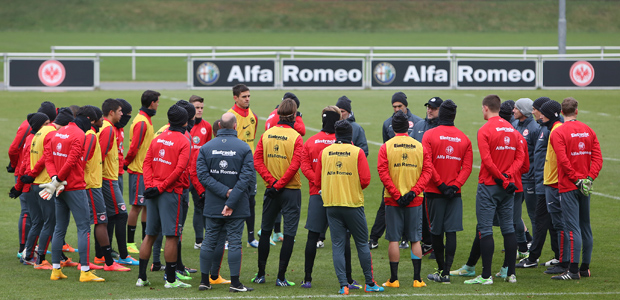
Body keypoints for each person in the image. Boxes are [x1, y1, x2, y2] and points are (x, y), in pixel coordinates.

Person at [315, 120, 383, 295]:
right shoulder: (357, 152)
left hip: (331, 204)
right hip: (352, 204)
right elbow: (366, 180)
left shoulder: (325, 152)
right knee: (361, 243)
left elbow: (316, 180)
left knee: (337, 244)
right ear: (350, 134)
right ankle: (369, 283)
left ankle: (343, 285)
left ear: (336, 134)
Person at [463, 95, 524, 285]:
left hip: (490, 185)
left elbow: (487, 161)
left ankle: (486, 276)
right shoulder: (513, 130)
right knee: (508, 229)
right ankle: (510, 274)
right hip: (508, 187)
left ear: (485, 108)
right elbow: (520, 158)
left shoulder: (484, 130)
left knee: (485, 229)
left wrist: (501, 178)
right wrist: (508, 176)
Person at [299, 106, 361, 289]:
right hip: (339, 195)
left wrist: (318, 184)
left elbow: (305, 166)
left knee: (312, 236)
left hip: (317, 195)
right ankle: (349, 280)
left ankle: (307, 279)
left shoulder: (310, 142)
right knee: (344, 237)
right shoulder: (344, 144)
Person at [44, 106, 105, 282]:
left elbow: (48, 157)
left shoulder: (56, 134)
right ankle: (85, 271)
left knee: (59, 228)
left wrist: (55, 179)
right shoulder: (79, 134)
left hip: (59, 187)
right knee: (84, 228)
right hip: (75, 186)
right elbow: (72, 160)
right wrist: (59, 178)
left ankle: (55, 270)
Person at [196, 112, 255, 292]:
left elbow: (203, 176)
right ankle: (236, 284)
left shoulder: (206, 148)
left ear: (220, 126)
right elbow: (246, 179)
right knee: (235, 242)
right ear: (235, 126)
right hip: (236, 206)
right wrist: (231, 198)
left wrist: (223, 192)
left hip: (213, 203)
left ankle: (204, 281)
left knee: (209, 241)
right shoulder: (244, 148)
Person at [136, 104, 191, 288]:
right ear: (184, 121)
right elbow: (179, 170)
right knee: (172, 236)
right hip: (170, 193)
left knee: (149, 234)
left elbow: (147, 163)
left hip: (153, 193)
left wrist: (151, 185)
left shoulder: (157, 138)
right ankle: (171, 280)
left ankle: (141, 278)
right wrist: (161, 188)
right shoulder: (184, 141)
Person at [378, 110, 433, 289]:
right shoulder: (419, 146)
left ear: (393, 127)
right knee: (415, 239)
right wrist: (413, 192)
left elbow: (383, 172)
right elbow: (427, 172)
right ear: (408, 128)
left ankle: (394, 279)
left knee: (394, 239)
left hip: (393, 200)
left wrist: (396, 193)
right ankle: (417, 279)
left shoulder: (386, 147)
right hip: (415, 200)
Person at [251, 98, 303, 286]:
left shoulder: (267, 134)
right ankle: (281, 277)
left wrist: (272, 182)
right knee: (289, 234)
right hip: (290, 191)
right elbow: (295, 165)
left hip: (271, 191)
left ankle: (260, 274)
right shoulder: (296, 137)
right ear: (295, 116)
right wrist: (280, 184)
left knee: (265, 231)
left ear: (278, 114)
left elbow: (257, 161)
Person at [550, 97, 603, 280]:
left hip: (568, 186)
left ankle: (572, 271)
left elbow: (563, 161)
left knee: (572, 228)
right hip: (584, 187)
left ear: (561, 113)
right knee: (585, 227)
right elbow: (597, 159)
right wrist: (588, 179)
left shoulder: (558, 132)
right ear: (577, 111)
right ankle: (584, 268)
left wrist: (576, 179)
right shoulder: (588, 130)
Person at [421, 100, 473, 284]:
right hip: (454, 193)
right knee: (451, 231)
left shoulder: (429, 135)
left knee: (436, 231)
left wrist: (441, 185)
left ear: (441, 114)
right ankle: (447, 273)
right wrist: (455, 186)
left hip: (435, 192)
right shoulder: (464, 138)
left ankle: (442, 272)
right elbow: (467, 167)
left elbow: (427, 163)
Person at [20, 108, 75, 267]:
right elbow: (47, 156)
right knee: (50, 223)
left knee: (38, 222)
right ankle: (40, 259)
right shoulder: (51, 133)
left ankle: (30, 256)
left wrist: (30, 175)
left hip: (35, 183)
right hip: (45, 183)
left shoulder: (38, 133)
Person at [370, 92, 423, 249]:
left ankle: (406, 238)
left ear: (406, 105)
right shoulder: (387, 123)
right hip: (393, 175)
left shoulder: (419, 123)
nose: (397, 109)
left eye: (400, 106)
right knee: (384, 207)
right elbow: (386, 149)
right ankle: (374, 238)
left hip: (412, 174)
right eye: (394, 106)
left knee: (411, 209)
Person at [516, 97, 561, 269]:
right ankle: (557, 256)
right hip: (541, 181)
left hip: (546, 182)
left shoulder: (549, 130)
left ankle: (534, 257)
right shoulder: (544, 128)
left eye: (536, 109)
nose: (533, 111)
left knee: (543, 220)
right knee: (549, 221)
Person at [97, 99, 135, 270]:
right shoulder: (107, 129)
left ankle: (102, 254)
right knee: (120, 214)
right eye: (120, 111)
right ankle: (123, 256)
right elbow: (101, 156)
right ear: (111, 112)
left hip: (111, 176)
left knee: (111, 215)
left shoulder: (110, 128)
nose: (123, 115)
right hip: (108, 178)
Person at [125, 90, 160, 254]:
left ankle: (146, 239)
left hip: (146, 170)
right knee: (137, 207)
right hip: (138, 170)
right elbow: (134, 147)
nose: (158, 105)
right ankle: (130, 243)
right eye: (157, 102)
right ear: (152, 103)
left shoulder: (146, 119)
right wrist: (126, 163)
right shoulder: (141, 121)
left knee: (146, 206)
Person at [540, 100, 572, 276]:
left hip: (555, 183)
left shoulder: (557, 129)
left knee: (560, 224)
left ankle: (564, 262)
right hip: (552, 182)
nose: (540, 116)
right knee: (558, 224)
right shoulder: (554, 129)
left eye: (543, 113)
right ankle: (563, 260)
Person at [9, 112, 47, 261]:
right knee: (37, 218)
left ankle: (30, 251)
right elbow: (25, 162)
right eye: (46, 123)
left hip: (30, 181)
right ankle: (26, 251)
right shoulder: (33, 138)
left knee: (40, 219)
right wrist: (21, 184)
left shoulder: (34, 137)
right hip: (31, 182)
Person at [227, 84, 259, 247]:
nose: (247, 99)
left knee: (251, 201)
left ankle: (251, 238)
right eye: (244, 96)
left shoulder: (253, 116)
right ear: (235, 98)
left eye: (248, 96)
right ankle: (227, 238)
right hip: (233, 166)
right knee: (230, 199)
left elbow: (251, 140)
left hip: (249, 167)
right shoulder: (229, 116)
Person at [412, 96, 443, 253]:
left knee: (436, 213)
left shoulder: (443, 129)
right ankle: (428, 243)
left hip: (437, 178)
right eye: (428, 107)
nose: (429, 110)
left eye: (433, 108)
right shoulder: (419, 125)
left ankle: (437, 244)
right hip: (420, 177)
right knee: (422, 212)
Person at [512, 98, 540, 256]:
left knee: (533, 215)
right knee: (513, 214)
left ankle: (534, 251)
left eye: (516, 108)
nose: (513, 111)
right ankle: (522, 246)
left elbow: (539, 154)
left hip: (530, 179)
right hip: (516, 178)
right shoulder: (515, 125)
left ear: (523, 110)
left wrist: (535, 176)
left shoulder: (535, 128)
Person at [187, 95, 213, 250]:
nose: (200, 110)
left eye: (202, 107)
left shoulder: (207, 127)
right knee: (181, 209)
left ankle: (200, 240)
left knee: (201, 206)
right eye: (197, 107)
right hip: (183, 174)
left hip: (199, 174)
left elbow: (208, 150)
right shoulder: (184, 125)